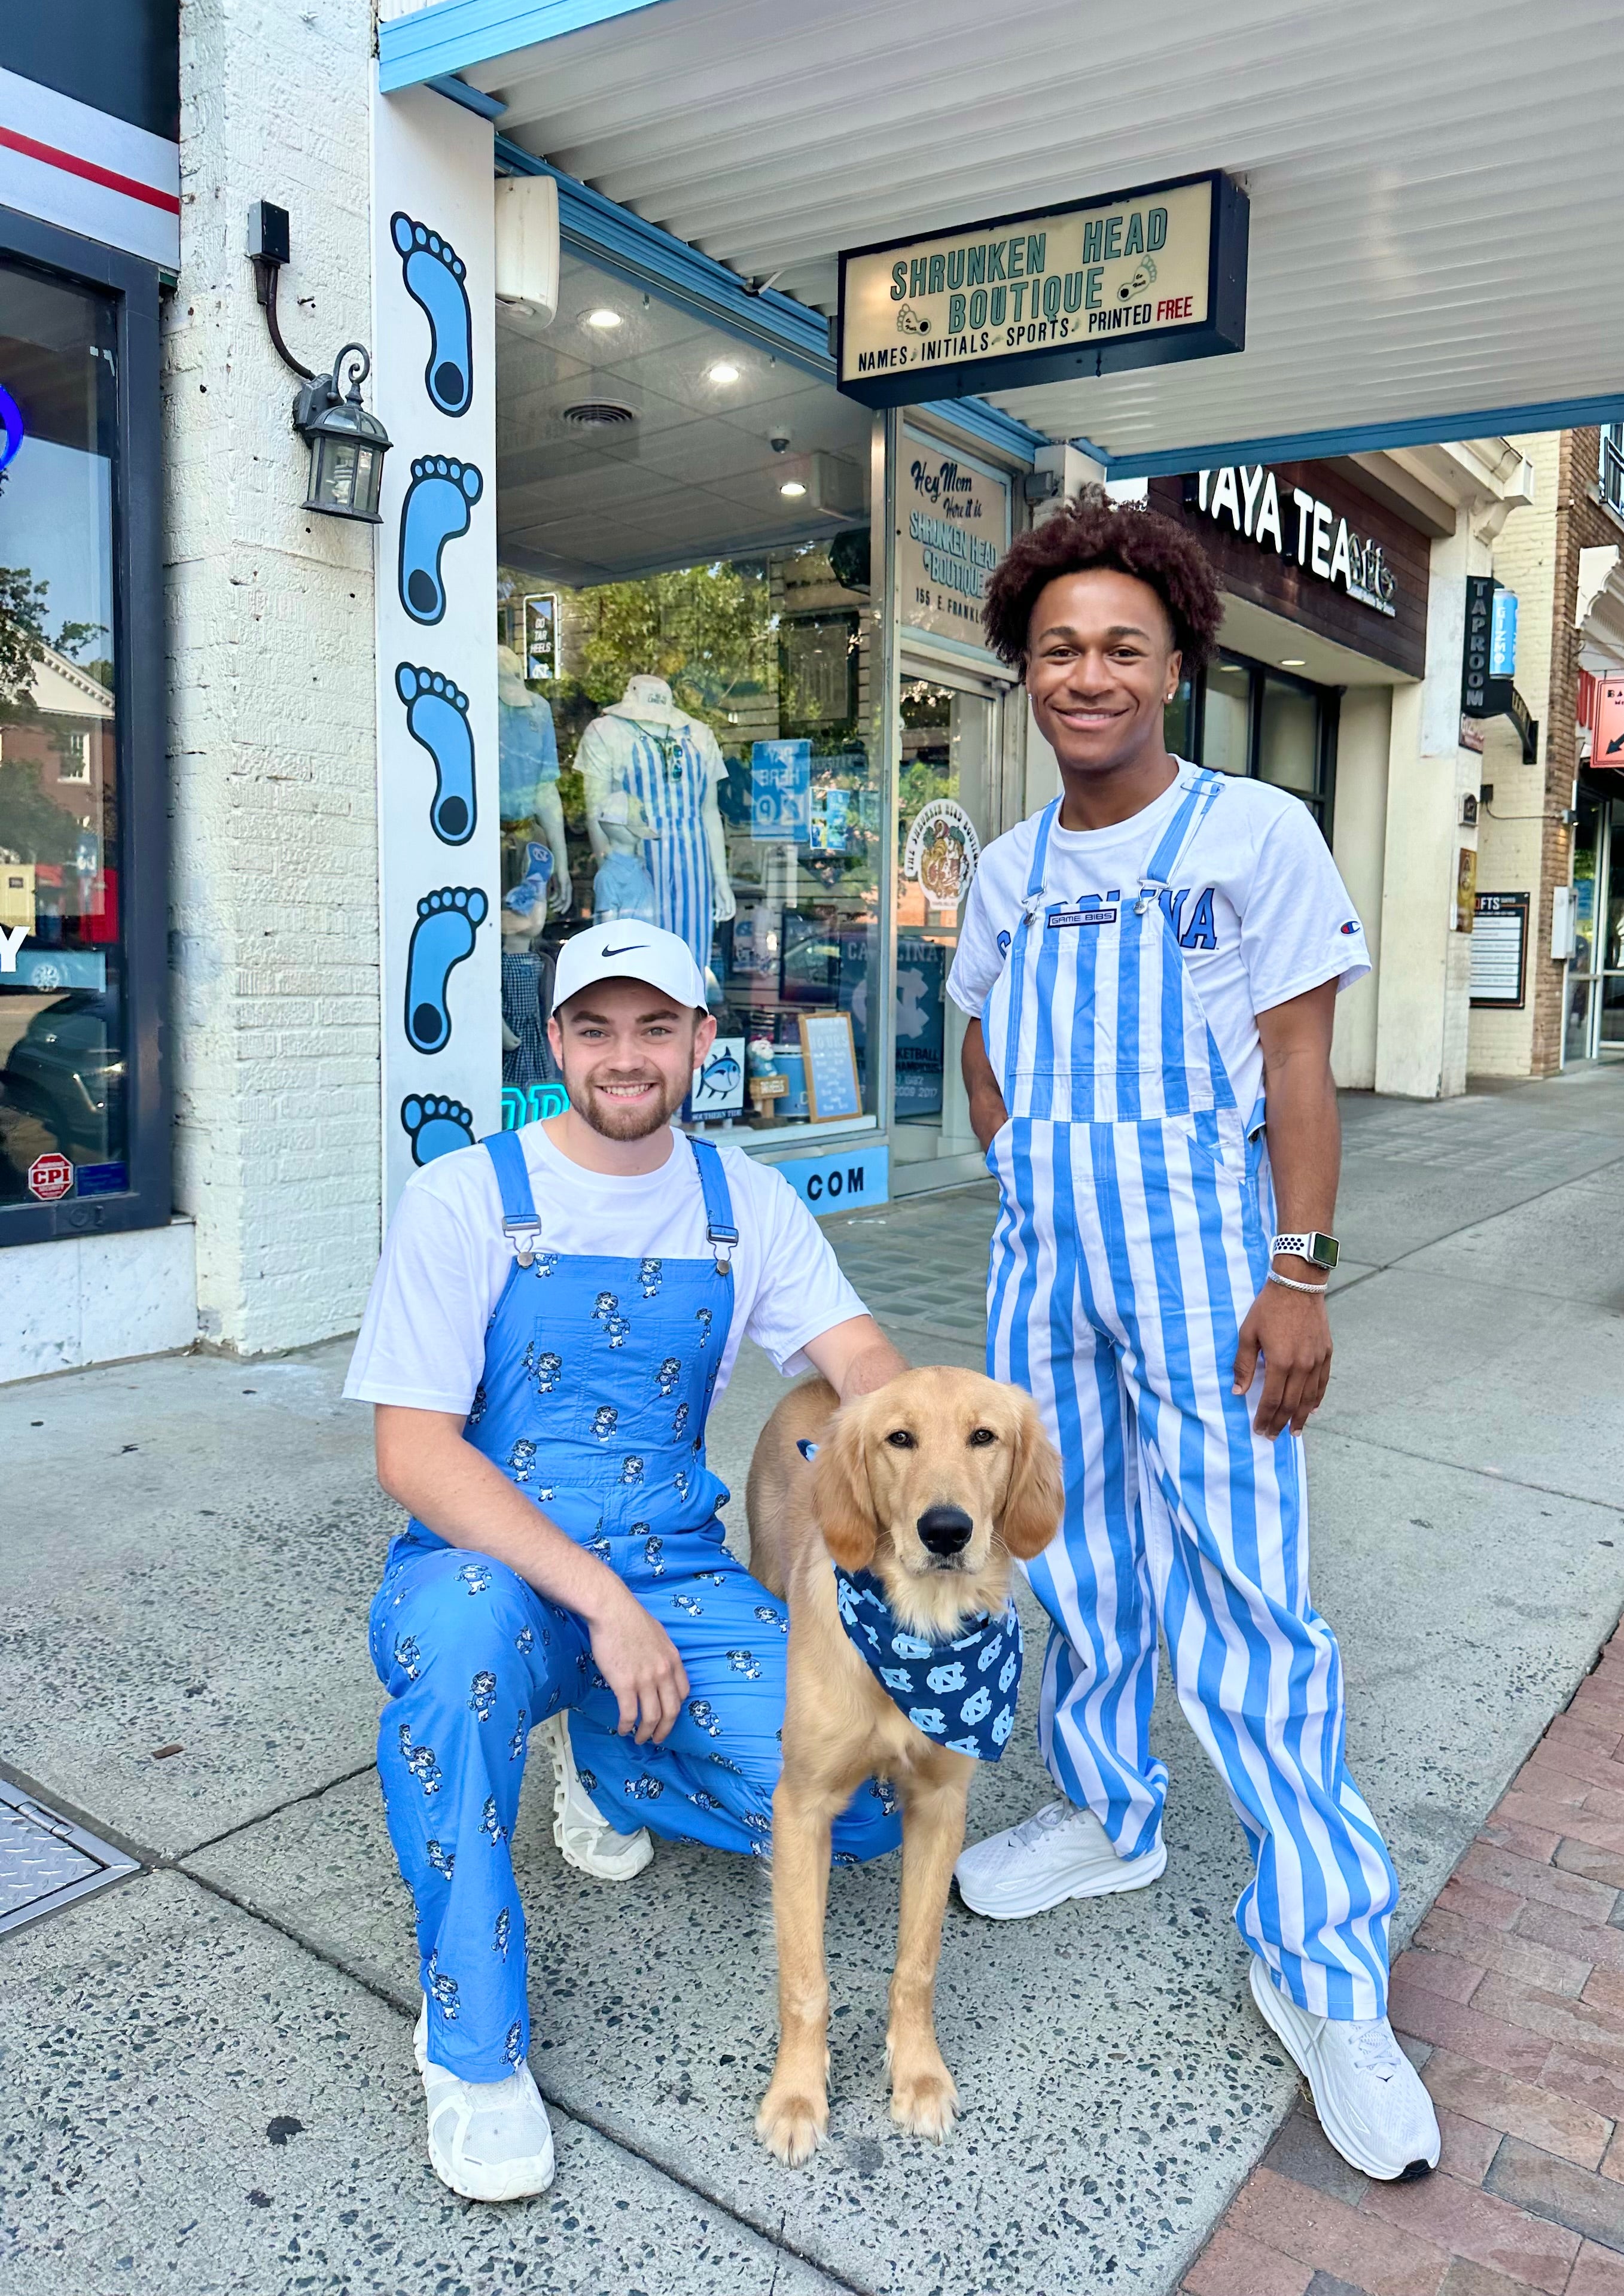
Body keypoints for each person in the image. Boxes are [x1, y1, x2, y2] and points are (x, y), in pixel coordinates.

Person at [945, 490, 1439, 2183]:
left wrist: (1296, 1272)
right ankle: (1109, 1811)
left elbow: (1299, 1071)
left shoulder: (1257, 836)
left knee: (1248, 1588)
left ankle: (1325, 1967)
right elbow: (983, 1047)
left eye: (1122, 649)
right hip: (1047, 1262)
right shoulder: (1009, 870)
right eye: (1060, 649)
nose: (1090, 675)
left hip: (1202, 1256)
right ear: (1028, 669)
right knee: (1070, 1555)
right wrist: (1022, 1176)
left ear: (1174, 665)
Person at [343, 920, 905, 2202]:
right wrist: (596, 1600)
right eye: (594, 1027)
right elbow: (416, 1454)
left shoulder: (742, 1199)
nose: (625, 1056)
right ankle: (473, 2047)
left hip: (674, 1573)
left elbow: (861, 1362)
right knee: (467, 1659)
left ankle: (605, 1758)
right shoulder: (466, 1196)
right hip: (483, 1568)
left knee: (863, 1803)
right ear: (555, 1044)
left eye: (656, 1027)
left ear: (704, 1043)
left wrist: (930, 1474)